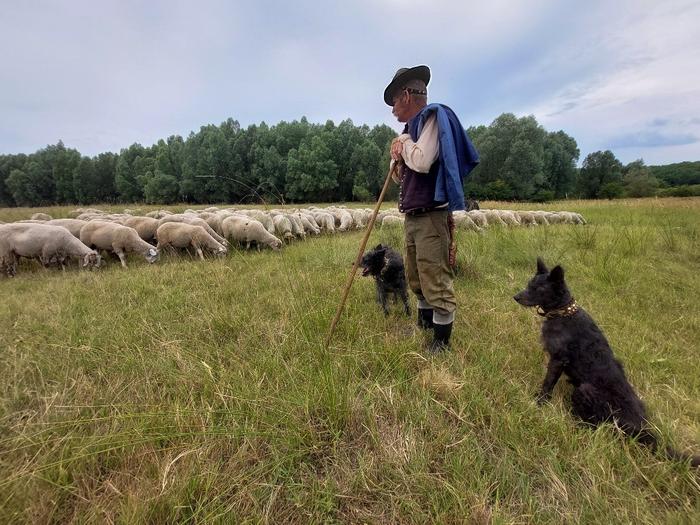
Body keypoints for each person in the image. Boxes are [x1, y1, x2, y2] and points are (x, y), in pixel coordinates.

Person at [384, 65, 479, 352]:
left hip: (431, 216)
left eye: (394, 103)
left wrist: (404, 142)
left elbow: (423, 161)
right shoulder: (410, 130)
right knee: (416, 276)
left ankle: (441, 344)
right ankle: (424, 327)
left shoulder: (433, 119)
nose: (392, 110)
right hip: (413, 217)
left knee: (434, 277)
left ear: (407, 96)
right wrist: (397, 161)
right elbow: (406, 173)